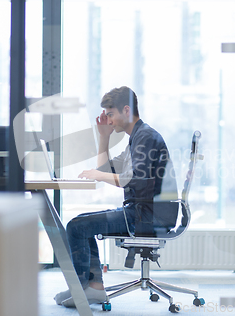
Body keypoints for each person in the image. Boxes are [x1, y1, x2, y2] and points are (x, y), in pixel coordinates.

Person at [54, 86, 178, 308]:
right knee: (79, 224)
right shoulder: (137, 138)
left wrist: (100, 175)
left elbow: (133, 179)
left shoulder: (146, 138)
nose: (108, 120)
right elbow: (106, 166)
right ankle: (91, 288)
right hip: (143, 213)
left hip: (149, 216)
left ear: (126, 110)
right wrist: (103, 137)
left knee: (77, 226)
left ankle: (87, 288)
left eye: (110, 114)